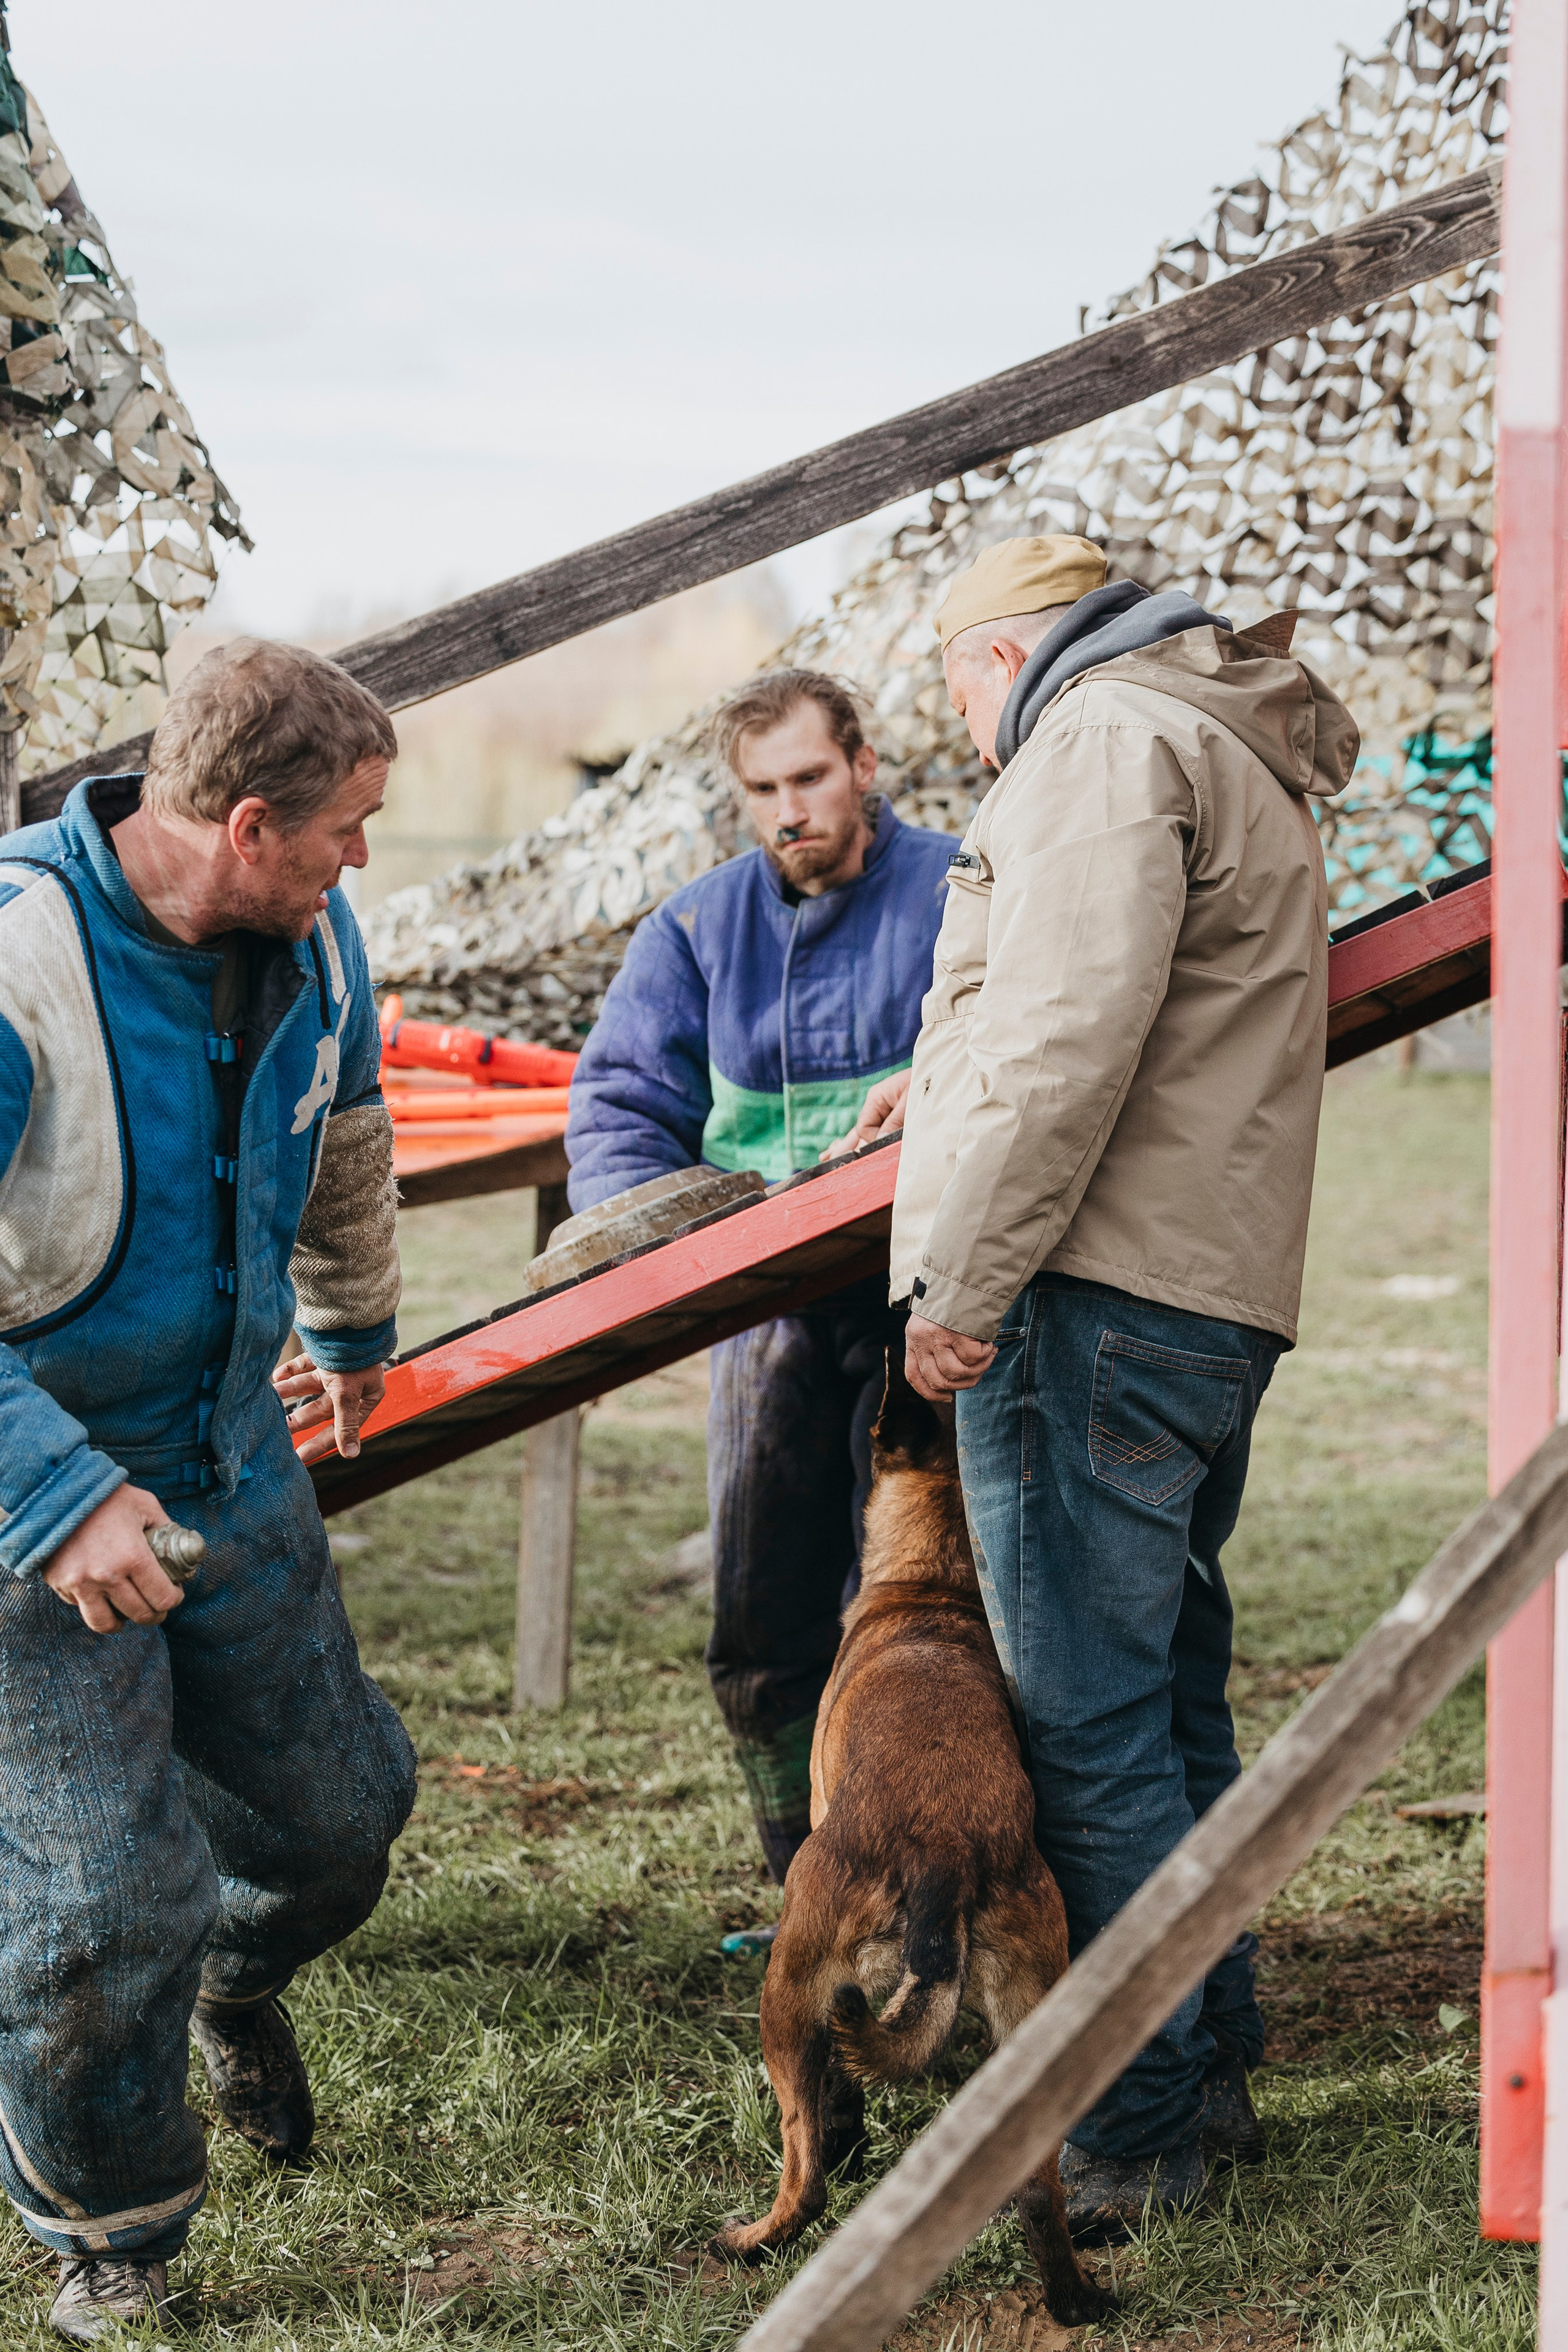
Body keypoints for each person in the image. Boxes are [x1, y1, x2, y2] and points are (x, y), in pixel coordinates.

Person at [887, 535, 1359, 2240]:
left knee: (1085, 1727)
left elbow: (1067, 1035)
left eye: (952, 690)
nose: (961, 725)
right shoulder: (1221, 736)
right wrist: (929, 1096)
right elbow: (1088, 1017)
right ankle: (1211, 2061)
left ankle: (1133, 2125)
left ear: (1000, 657)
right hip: (1208, 1290)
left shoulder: (1093, 740)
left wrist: (958, 1276)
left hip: (1086, 1291)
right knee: (1164, 1705)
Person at [0, 638, 418, 2341]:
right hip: (36, 1499)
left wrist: (356, 1322)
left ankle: (231, 1984)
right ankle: (116, 2237)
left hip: (230, 1458)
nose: (363, 860)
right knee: (98, 1912)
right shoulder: (20, 961)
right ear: (248, 823)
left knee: (339, 1823)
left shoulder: (309, 935)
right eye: (346, 829)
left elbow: (355, 1119)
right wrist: (50, 1497)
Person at [565, 670, 952, 1887]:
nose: (790, 810)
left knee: (921, 1609)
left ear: (862, 765)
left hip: (930, 1297)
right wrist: (650, 1249)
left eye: (810, 778)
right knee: (762, 1613)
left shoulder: (960, 892)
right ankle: (804, 1877)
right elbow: (622, 1107)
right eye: (763, 791)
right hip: (765, 1309)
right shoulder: (694, 928)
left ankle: (924, 1860)